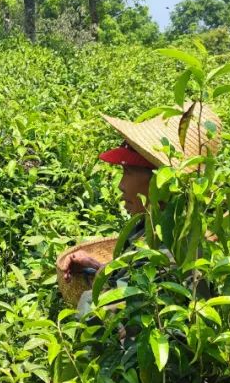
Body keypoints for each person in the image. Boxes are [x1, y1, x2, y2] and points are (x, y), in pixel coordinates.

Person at [65, 103, 221, 315]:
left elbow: (109, 314)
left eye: (127, 173)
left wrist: (93, 298)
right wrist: (94, 265)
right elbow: (130, 276)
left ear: (161, 181)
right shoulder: (154, 225)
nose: (120, 185)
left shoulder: (173, 251)